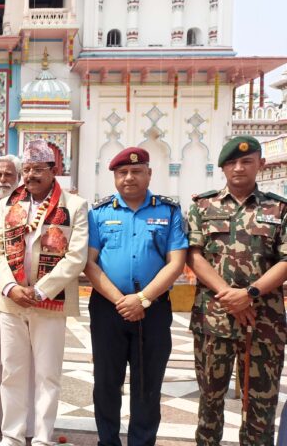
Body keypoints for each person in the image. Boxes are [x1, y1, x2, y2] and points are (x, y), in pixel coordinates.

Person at [0, 141, 88, 446]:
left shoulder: (74, 205)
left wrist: (41, 291)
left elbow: (76, 257)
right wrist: (10, 287)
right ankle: (12, 436)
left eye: (38, 169)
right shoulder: (8, 204)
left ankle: (42, 437)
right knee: (12, 372)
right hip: (11, 301)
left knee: (47, 374)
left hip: (50, 302)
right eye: (27, 169)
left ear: (54, 170)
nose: (30, 175)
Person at [187, 135, 287, 445]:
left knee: (260, 409)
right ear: (222, 167)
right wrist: (230, 296)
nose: (239, 168)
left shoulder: (279, 208)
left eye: (246, 161)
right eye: (231, 162)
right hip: (213, 320)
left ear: (261, 164)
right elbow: (194, 255)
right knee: (209, 404)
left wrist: (249, 294)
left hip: (264, 322)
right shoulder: (203, 206)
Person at [84, 147, 187, 446]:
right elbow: (89, 262)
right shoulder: (99, 213)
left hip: (153, 310)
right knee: (106, 382)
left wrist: (142, 299)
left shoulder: (169, 211)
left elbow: (176, 263)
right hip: (108, 309)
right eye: (122, 172)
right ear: (115, 177)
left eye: (136, 171)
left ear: (149, 174)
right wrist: (122, 301)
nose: (129, 177)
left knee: (147, 385)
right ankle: (108, 441)